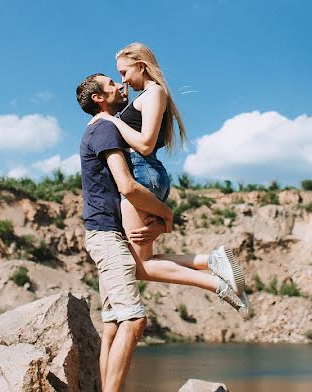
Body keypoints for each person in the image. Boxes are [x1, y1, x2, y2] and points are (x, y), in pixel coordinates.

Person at [77, 73, 248, 392]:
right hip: (107, 233)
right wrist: (165, 212)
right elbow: (127, 185)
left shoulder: (100, 127)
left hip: (103, 230)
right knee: (134, 320)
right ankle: (211, 271)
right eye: (112, 83)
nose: (120, 85)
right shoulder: (104, 128)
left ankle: (210, 267)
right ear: (99, 98)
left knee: (113, 325)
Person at [90, 43, 247, 307]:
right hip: (148, 173)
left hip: (142, 174)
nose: (123, 80)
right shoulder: (148, 96)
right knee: (144, 260)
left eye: (124, 72)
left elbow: (145, 143)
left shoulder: (154, 93)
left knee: (140, 267)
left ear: (141, 65)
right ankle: (211, 261)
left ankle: (217, 282)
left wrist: (111, 120)